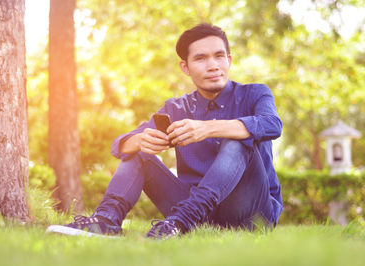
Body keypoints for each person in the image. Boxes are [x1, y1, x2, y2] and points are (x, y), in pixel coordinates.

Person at [46, 23, 283, 239]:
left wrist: (207, 128)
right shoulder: (177, 108)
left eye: (219, 56)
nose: (213, 65)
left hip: (251, 214)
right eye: (201, 58)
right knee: (139, 149)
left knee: (237, 138)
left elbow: (272, 124)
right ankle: (106, 220)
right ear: (185, 67)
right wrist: (141, 140)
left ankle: (181, 221)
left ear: (229, 60)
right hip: (191, 214)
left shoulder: (255, 93)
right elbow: (120, 145)